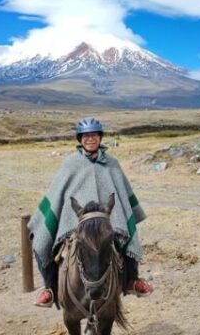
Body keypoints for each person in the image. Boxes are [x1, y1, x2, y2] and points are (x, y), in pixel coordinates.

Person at [28, 117, 153, 307]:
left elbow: (121, 194)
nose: (90, 139)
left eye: (94, 135)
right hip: (74, 221)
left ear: (100, 137)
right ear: (80, 139)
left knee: (127, 235)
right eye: (85, 136)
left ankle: (131, 281)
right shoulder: (71, 163)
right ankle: (50, 288)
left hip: (107, 219)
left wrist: (117, 215)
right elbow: (58, 193)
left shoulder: (112, 163)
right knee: (43, 240)